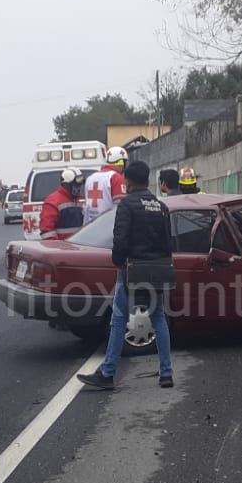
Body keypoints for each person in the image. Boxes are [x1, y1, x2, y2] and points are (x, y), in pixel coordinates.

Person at [78, 160, 174, 391]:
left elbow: (120, 240)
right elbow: (168, 243)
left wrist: (118, 262)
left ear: (128, 181)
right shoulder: (161, 207)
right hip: (156, 270)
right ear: (148, 180)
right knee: (159, 319)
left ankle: (108, 373)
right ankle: (166, 373)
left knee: (119, 320)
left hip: (131, 270)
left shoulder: (127, 205)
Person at [38, 167, 86, 241]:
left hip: (77, 246)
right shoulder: (53, 202)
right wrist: (57, 248)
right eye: (75, 185)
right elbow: (47, 230)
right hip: (62, 249)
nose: (78, 188)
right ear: (66, 185)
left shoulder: (77, 201)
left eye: (79, 185)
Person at [84, 146, 129, 219]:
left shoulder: (90, 178)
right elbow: (121, 207)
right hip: (108, 224)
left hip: (91, 225)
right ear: (121, 163)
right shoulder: (116, 178)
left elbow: (87, 209)